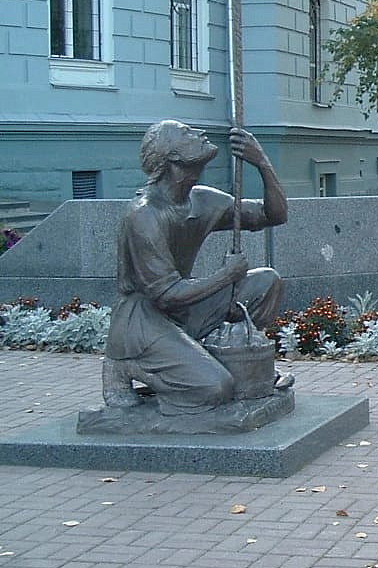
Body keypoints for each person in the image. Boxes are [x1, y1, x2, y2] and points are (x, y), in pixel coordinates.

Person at [102, 120, 289, 415]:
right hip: (144, 319)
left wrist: (262, 163)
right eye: (186, 133)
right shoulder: (144, 215)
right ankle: (128, 365)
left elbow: (273, 215)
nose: (200, 133)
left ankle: (216, 355)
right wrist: (226, 275)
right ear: (172, 156)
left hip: (184, 309)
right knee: (216, 388)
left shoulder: (202, 200)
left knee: (266, 282)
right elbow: (165, 295)